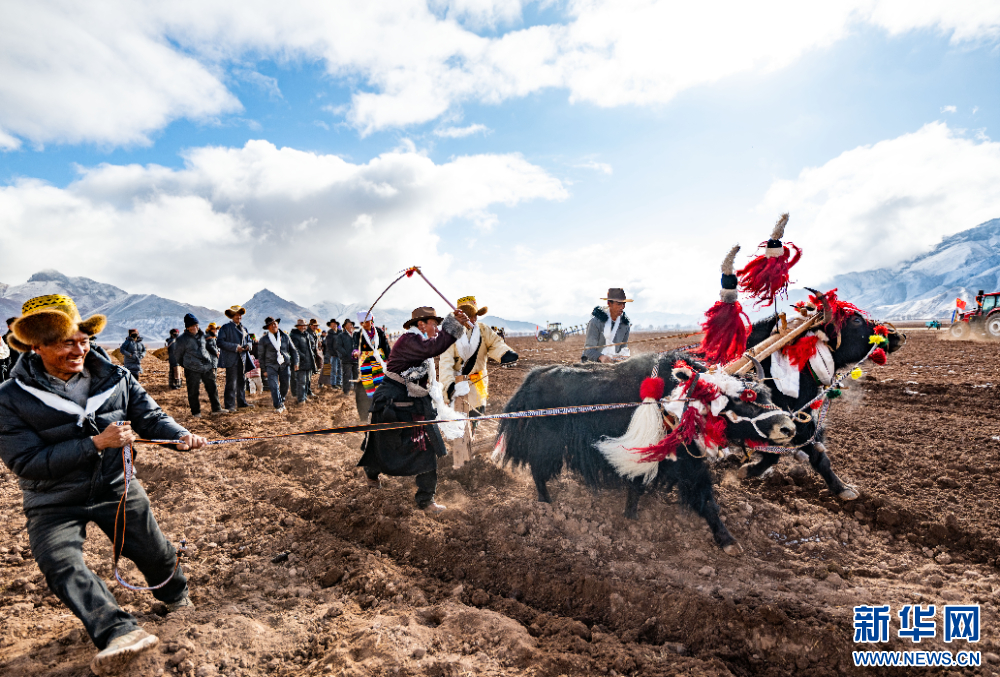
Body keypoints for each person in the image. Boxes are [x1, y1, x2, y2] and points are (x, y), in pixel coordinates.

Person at [0, 294, 207, 675]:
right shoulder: (9, 398)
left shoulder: (116, 377)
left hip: (116, 484)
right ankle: (118, 632)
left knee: (153, 551)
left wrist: (178, 435)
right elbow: (25, 462)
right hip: (53, 499)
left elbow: (150, 416)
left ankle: (175, 596)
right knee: (59, 563)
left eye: (84, 340)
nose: (79, 350)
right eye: (67, 343)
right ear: (37, 346)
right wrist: (96, 443)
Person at [358, 306, 470, 513]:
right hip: (392, 402)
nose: (437, 329)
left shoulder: (419, 341)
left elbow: (434, 347)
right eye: (434, 325)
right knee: (381, 446)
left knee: (427, 448)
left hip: (416, 402)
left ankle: (426, 500)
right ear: (421, 325)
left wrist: (455, 323)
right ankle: (371, 474)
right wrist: (454, 323)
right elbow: (434, 347)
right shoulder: (409, 340)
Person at [439, 296, 518, 468]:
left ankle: (468, 450)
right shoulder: (450, 336)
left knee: (475, 418)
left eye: (474, 315)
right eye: (467, 315)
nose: (472, 319)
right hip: (457, 386)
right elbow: (445, 362)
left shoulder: (483, 330)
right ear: (459, 317)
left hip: (478, 384)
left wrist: (504, 354)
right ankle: (461, 460)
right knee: (460, 424)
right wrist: (448, 386)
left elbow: (495, 343)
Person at [171, 314, 223, 417]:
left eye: (196, 325)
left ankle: (217, 409)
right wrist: (187, 364)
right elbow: (177, 355)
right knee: (193, 391)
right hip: (192, 368)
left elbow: (207, 349)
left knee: (212, 387)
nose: (195, 327)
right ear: (188, 327)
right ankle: (196, 413)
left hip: (206, 366)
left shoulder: (202, 336)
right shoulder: (182, 339)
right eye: (193, 326)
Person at [352, 311, 390, 422]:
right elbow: (355, 347)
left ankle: (383, 411)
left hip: (380, 363)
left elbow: (386, 347)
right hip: (366, 365)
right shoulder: (358, 334)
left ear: (371, 320)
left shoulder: (379, 332)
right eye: (362, 323)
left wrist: (390, 359)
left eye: (367, 322)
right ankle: (365, 415)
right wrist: (356, 352)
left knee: (382, 386)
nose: (365, 325)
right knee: (366, 389)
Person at [217, 305, 253, 412]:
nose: (239, 316)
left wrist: (248, 346)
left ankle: (242, 403)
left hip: (242, 359)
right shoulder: (225, 328)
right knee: (231, 383)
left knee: (242, 382)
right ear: (232, 316)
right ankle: (230, 405)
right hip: (231, 359)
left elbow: (250, 340)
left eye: (240, 315)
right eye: (236, 315)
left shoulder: (244, 328)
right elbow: (219, 342)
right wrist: (235, 347)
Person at [582, 288, 633, 363]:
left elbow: (623, 348)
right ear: (609, 303)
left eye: (624, 304)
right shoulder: (595, 323)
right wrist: (600, 357)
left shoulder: (625, 325)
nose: (622, 307)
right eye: (619, 304)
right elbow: (588, 350)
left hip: (612, 363)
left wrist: (623, 357)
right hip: (592, 364)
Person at [258, 317, 298, 412]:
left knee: (285, 384)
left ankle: (281, 400)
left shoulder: (285, 336)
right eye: (271, 324)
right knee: (273, 386)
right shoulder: (264, 340)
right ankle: (278, 405)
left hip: (284, 364)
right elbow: (261, 356)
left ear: (277, 324)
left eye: (275, 323)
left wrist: (296, 362)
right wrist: (263, 370)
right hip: (271, 365)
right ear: (268, 327)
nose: (274, 325)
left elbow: (293, 350)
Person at [289, 319, 317, 404]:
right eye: (302, 325)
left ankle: (304, 397)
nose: (303, 327)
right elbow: (295, 349)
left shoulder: (306, 335)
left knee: (307, 381)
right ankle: (301, 399)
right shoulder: (294, 336)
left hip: (308, 361)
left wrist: (311, 356)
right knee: (301, 382)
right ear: (298, 326)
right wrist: (303, 356)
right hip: (300, 362)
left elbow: (310, 347)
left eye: (305, 325)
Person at [337, 319, 357, 397]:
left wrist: (358, 352)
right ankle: (346, 391)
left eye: (351, 325)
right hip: (346, 359)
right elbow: (338, 347)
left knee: (356, 375)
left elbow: (358, 345)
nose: (350, 326)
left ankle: (356, 390)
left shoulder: (355, 335)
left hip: (356, 359)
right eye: (348, 325)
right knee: (347, 375)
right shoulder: (341, 336)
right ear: (345, 327)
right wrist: (345, 354)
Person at [324, 319, 342, 390]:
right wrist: (332, 353)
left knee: (340, 369)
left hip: (341, 354)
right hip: (334, 355)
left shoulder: (340, 333)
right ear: (330, 326)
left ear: (337, 325)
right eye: (332, 324)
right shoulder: (329, 335)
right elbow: (329, 346)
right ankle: (333, 384)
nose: (334, 325)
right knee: (334, 370)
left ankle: (339, 383)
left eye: (335, 324)